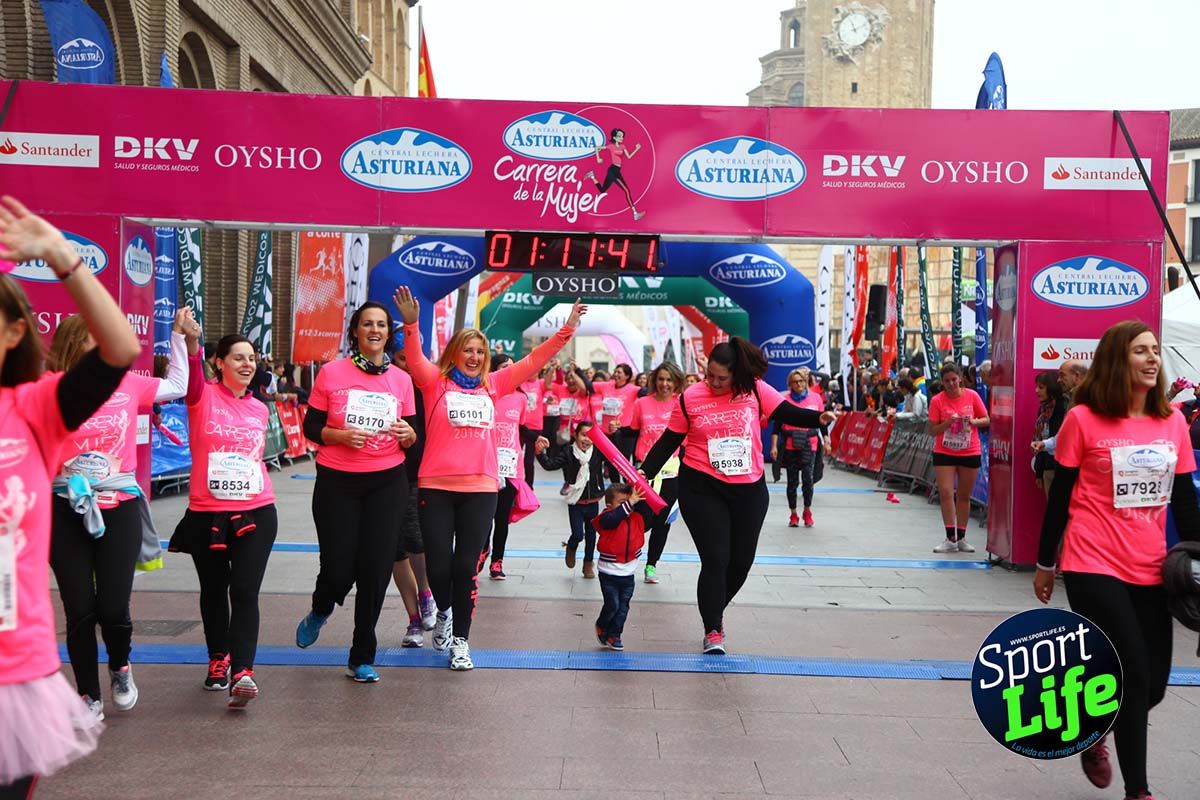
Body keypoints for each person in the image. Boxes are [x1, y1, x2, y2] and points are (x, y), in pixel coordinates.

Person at [0, 196, 141, 796]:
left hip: (10, 672)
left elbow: (120, 352)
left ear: (13, 332)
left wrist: (63, 257)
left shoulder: (32, 408)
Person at [1035, 320, 1199, 800]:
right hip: (1092, 562)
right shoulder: (1082, 420)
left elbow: (1185, 502)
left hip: (1152, 566)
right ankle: (1139, 791)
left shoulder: (1172, 422)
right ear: (1116, 360)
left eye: (1155, 351)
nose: (1152, 359)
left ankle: (1097, 728)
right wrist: (1047, 562)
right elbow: (1062, 496)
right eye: (1140, 351)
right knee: (1133, 671)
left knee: (1154, 689)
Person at [394, 287, 585, 671]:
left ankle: (461, 641)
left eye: (480, 351)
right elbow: (413, 359)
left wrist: (567, 330)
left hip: (481, 487)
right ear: (455, 354)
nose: (475, 356)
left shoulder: (493, 384)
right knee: (440, 567)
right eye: (468, 350)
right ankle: (444, 613)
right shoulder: (434, 382)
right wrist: (411, 323)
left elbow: (534, 360)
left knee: (466, 567)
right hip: (437, 486)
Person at [639, 338, 835, 655]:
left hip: (748, 489)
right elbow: (669, 440)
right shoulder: (691, 396)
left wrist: (818, 418)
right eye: (710, 376)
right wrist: (644, 472)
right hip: (701, 485)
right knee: (716, 559)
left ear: (736, 373)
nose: (714, 383)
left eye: (721, 378)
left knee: (740, 564)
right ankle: (713, 628)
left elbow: (788, 412)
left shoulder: (754, 389)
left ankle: (714, 606)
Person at [46, 307, 194, 720]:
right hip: (63, 505)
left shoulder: (127, 383)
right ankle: (87, 696)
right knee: (79, 607)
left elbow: (177, 384)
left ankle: (120, 666)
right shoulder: (49, 388)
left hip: (119, 503)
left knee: (112, 606)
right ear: (77, 345)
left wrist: (177, 336)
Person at [295, 303, 419, 682]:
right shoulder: (333, 373)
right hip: (338, 481)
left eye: (381, 324)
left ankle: (362, 655)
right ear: (355, 331)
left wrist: (409, 436)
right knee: (338, 567)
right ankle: (321, 607)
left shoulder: (401, 379)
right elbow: (311, 427)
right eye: (367, 324)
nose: (375, 330)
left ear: (388, 333)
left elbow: (412, 434)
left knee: (376, 569)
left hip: (387, 481)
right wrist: (339, 435)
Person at [169, 331, 278, 708]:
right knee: (214, 590)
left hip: (256, 509)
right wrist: (191, 341)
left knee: (245, 590)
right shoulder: (201, 398)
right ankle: (219, 658)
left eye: (252, 358)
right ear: (220, 363)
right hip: (206, 513)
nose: (248, 364)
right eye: (238, 358)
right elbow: (193, 373)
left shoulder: (260, 409)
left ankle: (243, 671)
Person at [486, 353, 549, 580]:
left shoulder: (521, 399)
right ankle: (481, 553)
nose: (511, 372)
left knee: (501, 518)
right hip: (486, 464)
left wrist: (536, 438)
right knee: (484, 516)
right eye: (505, 367)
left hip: (511, 466)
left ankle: (497, 562)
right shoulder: (487, 393)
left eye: (513, 368)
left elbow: (520, 427)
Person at [390, 349, 437, 648]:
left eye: (410, 359)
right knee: (394, 551)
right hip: (382, 473)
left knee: (416, 539)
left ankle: (426, 592)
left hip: (418, 474)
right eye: (398, 359)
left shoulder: (430, 388)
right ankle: (413, 620)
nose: (404, 366)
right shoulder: (385, 385)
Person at [627, 362, 684, 583]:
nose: (665, 384)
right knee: (641, 519)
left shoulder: (681, 405)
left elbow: (687, 441)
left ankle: (651, 566)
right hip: (644, 474)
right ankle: (629, 555)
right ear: (654, 380)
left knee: (663, 523)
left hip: (671, 474)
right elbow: (630, 434)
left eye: (669, 380)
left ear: (676, 382)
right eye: (661, 379)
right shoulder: (641, 404)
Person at [928, 363, 990, 554]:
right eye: (947, 381)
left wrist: (972, 422)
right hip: (944, 451)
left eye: (954, 379)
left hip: (969, 451)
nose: (951, 384)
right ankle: (950, 537)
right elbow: (932, 430)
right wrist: (948, 423)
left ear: (960, 378)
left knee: (963, 495)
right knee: (946, 492)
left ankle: (961, 537)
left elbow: (986, 418)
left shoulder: (972, 396)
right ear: (942, 382)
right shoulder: (937, 401)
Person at [538, 420, 608, 579]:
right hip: (575, 502)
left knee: (591, 536)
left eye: (591, 436)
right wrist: (539, 453)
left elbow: (616, 454)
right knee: (578, 534)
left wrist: (615, 433)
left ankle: (588, 564)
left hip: (593, 502)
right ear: (575, 435)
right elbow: (550, 465)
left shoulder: (597, 452)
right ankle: (571, 546)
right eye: (583, 435)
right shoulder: (568, 452)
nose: (587, 439)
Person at [592, 484, 654, 650]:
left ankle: (614, 635)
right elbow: (613, 519)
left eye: (630, 502)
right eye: (622, 503)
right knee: (612, 605)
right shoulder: (606, 518)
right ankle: (602, 624)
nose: (628, 506)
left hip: (628, 574)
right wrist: (629, 503)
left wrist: (643, 490)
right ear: (609, 506)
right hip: (608, 573)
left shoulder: (636, 518)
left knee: (623, 608)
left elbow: (648, 514)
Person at [771, 369, 825, 528]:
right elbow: (777, 426)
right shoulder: (784, 400)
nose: (799, 384)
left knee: (808, 480)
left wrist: (827, 440)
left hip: (810, 444)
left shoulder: (815, 398)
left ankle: (807, 510)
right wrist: (774, 446)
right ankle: (793, 513)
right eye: (795, 382)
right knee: (792, 482)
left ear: (806, 382)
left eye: (801, 381)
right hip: (790, 445)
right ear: (790, 385)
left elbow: (822, 421)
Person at [585, 128, 646, 221]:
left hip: (616, 170)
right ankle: (635, 213)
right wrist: (598, 158)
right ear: (614, 137)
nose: (621, 138)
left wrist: (636, 149)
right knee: (627, 191)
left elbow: (629, 157)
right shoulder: (611, 146)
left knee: (602, 190)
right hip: (613, 170)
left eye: (622, 136)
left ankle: (592, 176)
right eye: (619, 136)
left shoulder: (623, 147)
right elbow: (597, 148)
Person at [595, 363, 641, 481]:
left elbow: (647, 393)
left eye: (619, 372)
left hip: (624, 434)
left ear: (627, 376)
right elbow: (588, 386)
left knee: (623, 464)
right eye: (615, 372)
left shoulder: (633, 389)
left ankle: (628, 487)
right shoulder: (608, 386)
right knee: (611, 463)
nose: (616, 374)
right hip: (608, 434)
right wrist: (578, 371)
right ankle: (616, 487)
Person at [1030, 371, 1067, 498]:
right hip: (1047, 465)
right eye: (1037, 386)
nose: (1036, 391)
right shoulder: (1043, 409)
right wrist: (1039, 472)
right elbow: (1041, 438)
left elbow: (1061, 437)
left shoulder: (1063, 407)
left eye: (1041, 387)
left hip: (1061, 465)